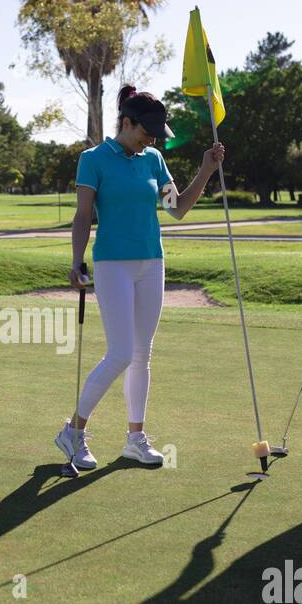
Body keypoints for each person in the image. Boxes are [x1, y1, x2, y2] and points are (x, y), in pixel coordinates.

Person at [54, 84, 224, 469]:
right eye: (146, 131)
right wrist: (77, 262)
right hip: (113, 264)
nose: (152, 139)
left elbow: (176, 208)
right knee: (119, 353)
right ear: (126, 122)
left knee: (141, 355)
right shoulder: (93, 159)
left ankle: (135, 438)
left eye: (156, 133)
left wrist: (206, 169)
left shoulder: (153, 160)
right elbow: (83, 216)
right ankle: (73, 432)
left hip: (152, 263)